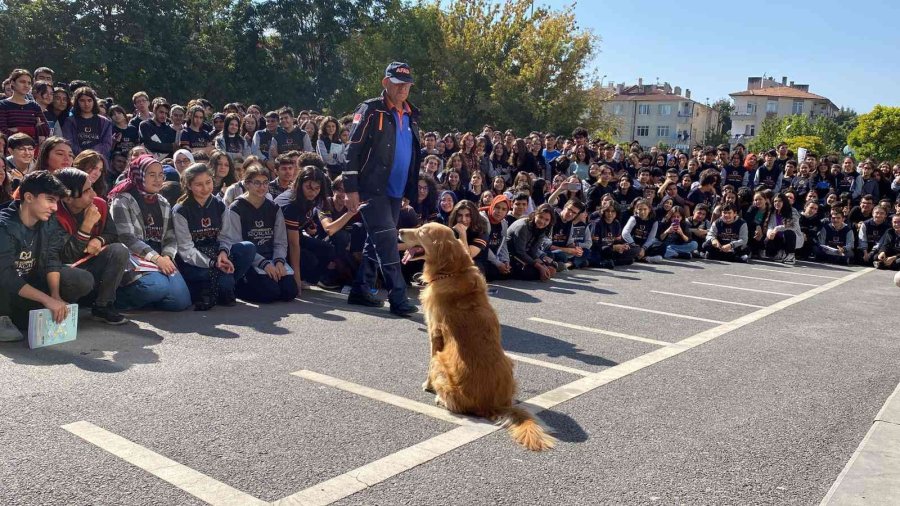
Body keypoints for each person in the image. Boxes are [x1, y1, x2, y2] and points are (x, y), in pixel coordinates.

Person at [342, 62, 421, 317]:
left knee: (374, 240)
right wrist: (351, 188)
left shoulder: (412, 114)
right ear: (385, 83)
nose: (402, 89)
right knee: (387, 241)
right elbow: (352, 150)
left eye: (407, 84)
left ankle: (360, 289)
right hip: (371, 189)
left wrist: (410, 187)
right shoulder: (370, 109)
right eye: (398, 83)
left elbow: (413, 153)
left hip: (396, 191)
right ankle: (398, 297)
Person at [0, 171, 93, 339]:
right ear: (28, 197)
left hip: (28, 284)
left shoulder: (48, 220)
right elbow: (6, 275)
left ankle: (28, 315)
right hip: (5, 287)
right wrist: (46, 299)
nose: (55, 207)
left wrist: (54, 294)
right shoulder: (4, 226)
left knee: (81, 279)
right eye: (50, 200)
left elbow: (52, 258)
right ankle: (4, 318)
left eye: (57, 202)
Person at [108, 154, 192, 311]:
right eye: (151, 174)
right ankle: (116, 299)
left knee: (180, 302)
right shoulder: (122, 199)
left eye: (161, 175)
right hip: (134, 257)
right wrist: (157, 259)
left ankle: (150, 295)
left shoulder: (162, 201)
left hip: (160, 258)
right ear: (139, 175)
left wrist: (167, 256)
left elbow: (170, 236)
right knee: (157, 287)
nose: (158, 179)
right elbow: (126, 238)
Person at [172, 163, 255, 310]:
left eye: (208, 182)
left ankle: (222, 285)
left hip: (217, 254)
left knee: (247, 248)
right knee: (213, 281)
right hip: (194, 260)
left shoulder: (219, 204)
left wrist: (223, 253)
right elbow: (185, 250)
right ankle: (213, 287)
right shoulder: (181, 210)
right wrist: (212, 263)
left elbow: (225, 236)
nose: (205, 188)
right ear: (189, 186)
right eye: (198, 184)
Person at [53, 168, 130, 324]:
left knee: (119, 250)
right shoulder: (54, 213)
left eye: (92, 188)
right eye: (86, 191)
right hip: (61, 270)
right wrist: (86, 226)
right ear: (67, 198)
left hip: (90, 262)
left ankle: (103, 306)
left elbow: (113, 234)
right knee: (84, 279)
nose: (93, 194)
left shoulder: (99, 204)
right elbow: (66, 256)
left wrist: (99, 240)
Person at [219, 166, 297, 303]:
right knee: (270, 293)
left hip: (271, 258)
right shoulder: (236, 208)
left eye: (265, 182)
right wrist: (264, 264)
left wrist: (279, 261)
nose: (262, 187)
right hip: (252, 261)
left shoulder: (273, 208)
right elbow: (237, 242)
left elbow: (281, 241)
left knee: (289, 292)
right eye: (257, 183)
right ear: (247, 184)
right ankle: (238, 287)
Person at [275, 165, 337, 290]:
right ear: (300, 184)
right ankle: (296, 279)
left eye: (316, 188)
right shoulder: (291, 204)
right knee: (309, 259)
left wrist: (308, 224)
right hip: (278, 240)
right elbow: (293, 244)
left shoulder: (312, 197)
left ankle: (310, 279)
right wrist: (296, 279)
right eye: (309, 187)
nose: (313, 192)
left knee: (328, 249)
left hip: (295, 234)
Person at [506, 203, 557, 281]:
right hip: (511, 256)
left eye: (547, 220)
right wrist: (539, 266)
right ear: (535, 214)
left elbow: (534, 250)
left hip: (525, 254)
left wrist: (542, 264)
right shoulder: (522, 226)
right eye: (540, 217)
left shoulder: (542, 228)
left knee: (551, 264)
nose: (542, 222)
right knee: (531, 273)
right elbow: (520, 252)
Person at [61, 87, 113, 158]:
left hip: (98, 161)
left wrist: (91, 154)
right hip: (76, 160)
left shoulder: (105, 122)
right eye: (82, 100)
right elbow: (68, 142)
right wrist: (83, 154)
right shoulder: (70, 121)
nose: (86, 104)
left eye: (89, 100)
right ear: (77, 102)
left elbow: (107, 144)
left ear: (94, 101)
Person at [0, 69, 50, 142]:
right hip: (11, 149)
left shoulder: (34, 106)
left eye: (29, 83)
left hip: (32, 150)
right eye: (22, 82)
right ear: (12, 83)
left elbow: (45, 130)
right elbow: (3, 132)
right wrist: (34, 130)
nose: (26, 85)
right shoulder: (3, 105)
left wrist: (18, 129)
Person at [447, 199, 490, 272]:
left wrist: (462, 233)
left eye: (468, 215)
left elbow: (467, 256)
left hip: (474, 266)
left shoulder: (481, 231)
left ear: (473, 216)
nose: (463, 220)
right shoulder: (453, 228)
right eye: (460, 215)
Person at [764, 193, 803, 264]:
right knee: (768, 240)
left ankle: (791, 255)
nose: (777, 203)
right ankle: (780, 252)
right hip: (780, 237)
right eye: (775, 201)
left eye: (780, 201)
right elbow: (770, 226)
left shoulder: (793, 211)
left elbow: (793, 227)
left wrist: (777, 228)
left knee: (788, 232)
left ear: (784, 202)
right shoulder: (773, 213)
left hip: (793, 238)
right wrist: (770, 233)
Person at [480, 195, 512, 281]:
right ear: (492, 205)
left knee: (508, 272)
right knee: (491, 273)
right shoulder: (482, 219)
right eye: (497, 207)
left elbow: (503, 243)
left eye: (504, 209)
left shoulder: (504, 223)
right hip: (481, 255)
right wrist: (498, 263)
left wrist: (505, 261)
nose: (499, 211)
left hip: (494, 257)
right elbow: (484, 245)